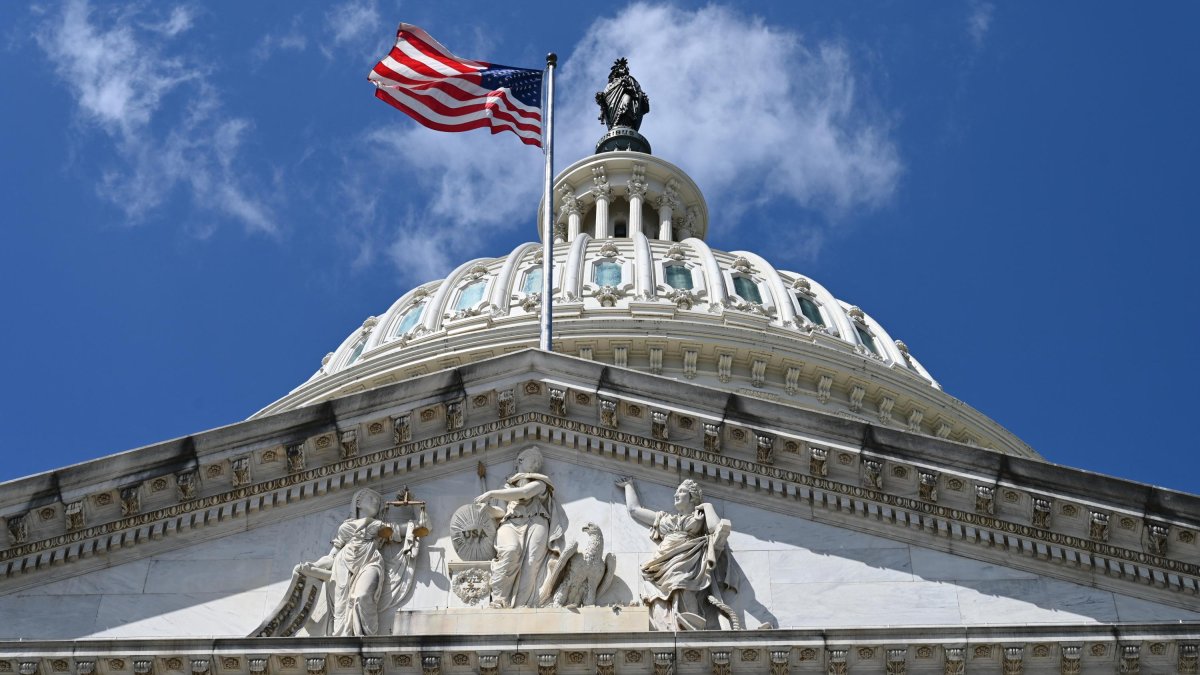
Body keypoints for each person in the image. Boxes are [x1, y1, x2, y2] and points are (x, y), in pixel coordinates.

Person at [616, 477, 739, 630]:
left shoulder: (699, 518)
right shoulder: (665, 519)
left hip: (687, 561)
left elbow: (716, 528)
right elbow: (635, 510)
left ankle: (689, 628)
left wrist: (707, 506)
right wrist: (629, 485)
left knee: (683, 587)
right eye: (676, 491)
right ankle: (668, 627)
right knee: (658, 598)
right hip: (661, 563)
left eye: (681, 491)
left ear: (692, 496)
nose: (676, 495)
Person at [295, 488, 418, 635]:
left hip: (370, 562)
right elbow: (332, 555)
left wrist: (414, 505)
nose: (377, 502)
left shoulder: (380, 526)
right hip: (343, 566)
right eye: (372, 498)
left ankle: (365, 640)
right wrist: (313, 567)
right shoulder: (345, 528)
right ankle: (344, 639)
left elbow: (415, 527)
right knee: (341, 608)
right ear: (358, 502)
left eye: (379, 501)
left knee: (362, 595)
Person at [473, 446, 565, 608]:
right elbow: (501, 511)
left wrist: (492, 494)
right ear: (520, 461)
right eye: (534, 459)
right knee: (510, 550)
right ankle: (500, 599)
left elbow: (524, 493)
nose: (537, 463)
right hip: (510, 522)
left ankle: (524, 605)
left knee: (531, 562)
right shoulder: (507, 486)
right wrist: (487, 510)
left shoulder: (541, 483)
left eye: (539, 462)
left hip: (536, 522)